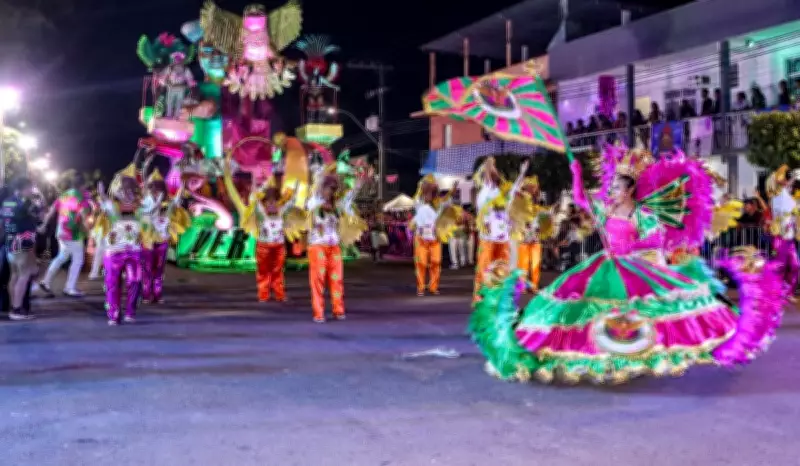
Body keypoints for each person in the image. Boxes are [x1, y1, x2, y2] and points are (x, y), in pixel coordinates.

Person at [470, 146, 786, 384]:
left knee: (635, 310)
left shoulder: (640, 215)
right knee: (578, 306)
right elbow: (582, 200)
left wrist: (632, 246)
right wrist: (577, 174)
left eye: (618, 189)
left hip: (633, 267)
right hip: (603, 265)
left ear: (630, 190)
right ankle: (592, 352)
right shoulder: (607, 210)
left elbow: (657, 240)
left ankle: (628, 351)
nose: (612, 193)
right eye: (612, 189)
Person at [305, 164, 365, 322]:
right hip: (317, 246)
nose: (329, 191)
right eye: (327, 188)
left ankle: (338, 309)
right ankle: (318, 312)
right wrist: (325, 172)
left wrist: (360, 181)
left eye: (332, 189)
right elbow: (317, 183)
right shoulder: (313, 202)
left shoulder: (338, 205)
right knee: (317, 280)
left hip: (334, 247)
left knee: (336, 279)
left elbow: (352, 195)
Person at [473, 157, 529, 300]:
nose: (496, 175)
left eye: (497, 173)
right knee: (484, 267)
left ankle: (498, 295)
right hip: (488, 240)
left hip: (503, 239)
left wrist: (522, 172)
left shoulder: (504, 193)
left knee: (502, 268)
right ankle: (480, 296)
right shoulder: (485, 192)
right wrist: (489, 166)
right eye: (493, 174)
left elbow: (516, 187)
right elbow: (488, 177)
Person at [96, 164, 144, 325]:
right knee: (112, 284)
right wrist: (102, 195)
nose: (127, 192)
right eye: (123, 189)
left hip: (134, 250)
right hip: (114, 251)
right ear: (116, 190)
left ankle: (130, 312)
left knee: (135, 281)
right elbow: (110, 211)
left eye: (130, 189)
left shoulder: (141, 207)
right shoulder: (110, 206)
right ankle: (113, 315)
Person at [246, 170, 300, 302]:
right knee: (263, 271)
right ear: (264, 203)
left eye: (274, 201)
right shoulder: (261, 214)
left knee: (278, 271)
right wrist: (254, 181)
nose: (271, 204)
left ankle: (279, 294)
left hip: (279, 247)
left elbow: (291, 201)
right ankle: (263, 294)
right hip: (263, 247)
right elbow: (254, 197)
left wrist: (297, 184)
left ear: (278, 202)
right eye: (268, 202)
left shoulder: (281, 213)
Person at [138, 169, 189, 304]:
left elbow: (177, 200)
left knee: (159, 270)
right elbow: (146, 214)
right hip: (148, 241)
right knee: (147, 269)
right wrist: (157, 204)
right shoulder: (144, 204)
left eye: (158, 188)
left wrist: (182, 187)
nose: (156, 191)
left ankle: (158, 294)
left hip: (162, 241)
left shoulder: (168, 204)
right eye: (153, 188)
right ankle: (146, 295)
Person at [38, 175, 92, 297]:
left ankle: (46, 281)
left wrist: (44, 225)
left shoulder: (64, 195)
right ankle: (70, 287)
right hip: (73, 233)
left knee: (62, 256)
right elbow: (83, 216)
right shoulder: (80, 197)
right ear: (82, 186)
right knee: (78, 260)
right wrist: (88, 231)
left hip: (61, 231)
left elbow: (52, 210)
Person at [409, 175, 459, 296]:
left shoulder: (439, 204)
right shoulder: (418, 202)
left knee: (436, 262)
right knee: (421, 263)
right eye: (428, 190)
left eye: (433, 191)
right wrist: (426, 183)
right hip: (421, 237)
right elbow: (420, 190)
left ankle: (433, 287)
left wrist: (452, 191)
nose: (430, 193)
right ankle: (420, 287)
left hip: (435, 237)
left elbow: (447, 200)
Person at [0, 178, 40, 320]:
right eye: (30, 188)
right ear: (24, 188)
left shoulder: (7, 201)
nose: (32, 190)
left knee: (15, 275)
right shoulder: (23, 203)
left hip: (10, 241)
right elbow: (38, 214)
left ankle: (14, 306)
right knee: (24, 274)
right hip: (22, 242)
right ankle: (17, 310)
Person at [766, 166, 799, 301]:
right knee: (780, 267)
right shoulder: (778, 197)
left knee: (795, 266)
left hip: (789, 238)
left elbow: (794, 212)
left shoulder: (790, 197)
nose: (787, 182)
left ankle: (787, 292)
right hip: (780, 238)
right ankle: (776, 292)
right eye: (784, 179)